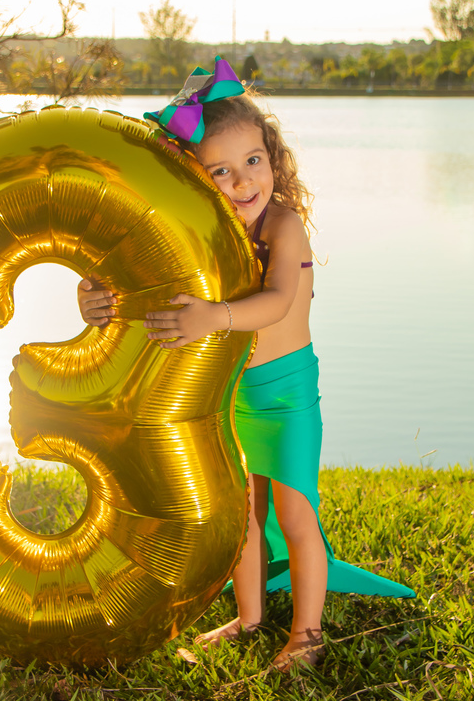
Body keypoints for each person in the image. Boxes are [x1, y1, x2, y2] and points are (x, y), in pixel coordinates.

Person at [77, 57, 414, 671]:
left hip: (286, 399)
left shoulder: (283, 226)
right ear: (194, 181)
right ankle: (250, 616)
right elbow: (142, 289)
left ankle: (306, 636)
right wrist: (97, 298)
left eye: (253, 161)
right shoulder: (203, 239)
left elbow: (279, 299)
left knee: (293, 508)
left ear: (273, 158)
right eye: (221, 171)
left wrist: (215, 317)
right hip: (229, 397)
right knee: (243, 516)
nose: (242, 182)